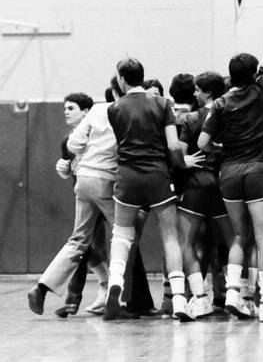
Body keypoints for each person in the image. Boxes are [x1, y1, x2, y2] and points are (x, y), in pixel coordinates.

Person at [199, 12, 263, 322]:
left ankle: (233, 293)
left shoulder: (219, 103)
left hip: (229, 172)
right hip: (257, 169)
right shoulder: (262, 90)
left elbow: (204, 143)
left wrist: (221, 147)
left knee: (238, 236)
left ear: (230, 77)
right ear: (254, 73)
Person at [103, 58, 189, 321]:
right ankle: (179, 301)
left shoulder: (114, 108)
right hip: (157, 175)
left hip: (127, 176)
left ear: (121, 79)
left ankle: (115, 285)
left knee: (121, 236)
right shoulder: (163, 104)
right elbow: (174, 146)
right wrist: (182, 165)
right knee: (170, 238)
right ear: (143, 76)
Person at [27, 93, 103, 316]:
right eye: (65, 108)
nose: (66, 112)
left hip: (100, 191)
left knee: (87, 244)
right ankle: (95, 292)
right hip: (92, 193)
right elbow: (71, 172)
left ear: (86, 112)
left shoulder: (99, 135)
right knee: (90, 244)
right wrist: (67, 170)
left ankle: (93, 292)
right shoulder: (67, 141)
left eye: (71, 108)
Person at [176, 71, 233, 319]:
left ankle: (199, 298)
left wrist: (183, 160)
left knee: (187, 244)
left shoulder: (189, 118)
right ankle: (240, 296)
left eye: (198, 90)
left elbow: (178, 153)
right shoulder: (232, 114)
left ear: (208, 92)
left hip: (196, 186)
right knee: (236, 242)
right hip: (224, 186)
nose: (195, 94)